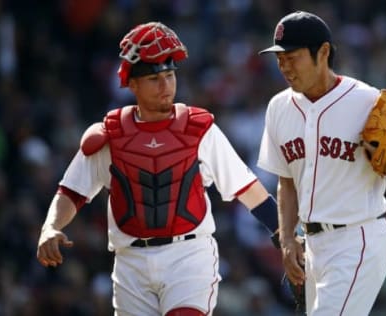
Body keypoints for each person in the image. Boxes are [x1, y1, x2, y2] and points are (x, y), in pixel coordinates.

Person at [36, 21, 279, 316]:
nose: (166, 85)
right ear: (133, 83)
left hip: (188, 256)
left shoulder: (198, 128)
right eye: (154, 78)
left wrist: (283, 232)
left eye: (170, 75)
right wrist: (51, 227)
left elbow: (245, 187)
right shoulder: (110, 135)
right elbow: (72, 191)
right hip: (131, 263)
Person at [257, 11, 386, 316]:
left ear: (322, 52)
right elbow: (286, 182)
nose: (284, 67)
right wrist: (286, 240)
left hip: (357, 239)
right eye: (279, 58)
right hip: (311, 246)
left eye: (292, 57)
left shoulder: (365, 100)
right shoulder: (278, 107)